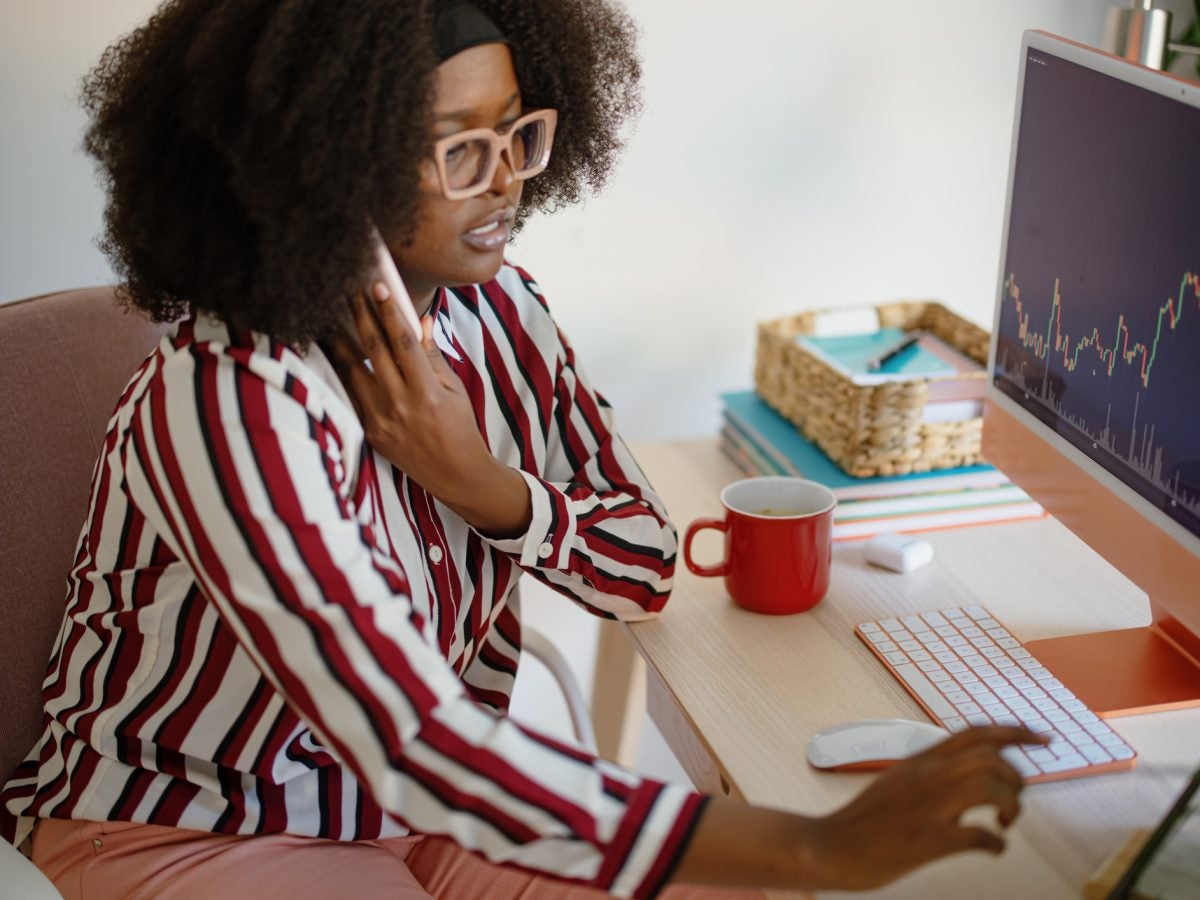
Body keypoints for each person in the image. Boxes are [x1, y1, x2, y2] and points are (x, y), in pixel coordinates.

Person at [0, 1, 1043, 897]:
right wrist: (816, 844)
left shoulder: (498, 313)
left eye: (518, 133)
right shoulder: (228, 398)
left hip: (419, 810)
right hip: (199, 823)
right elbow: (409, 737)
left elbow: (641, 563)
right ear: (325, 159)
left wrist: (481, 484)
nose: (506, 183)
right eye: (460, 149)